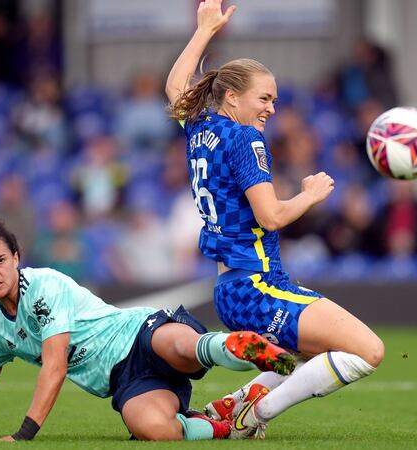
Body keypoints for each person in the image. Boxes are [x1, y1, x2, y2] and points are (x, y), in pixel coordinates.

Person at [165, 0, 385, 439]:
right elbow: (272, 215)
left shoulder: (201, 128)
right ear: (232, 97)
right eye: (264, 98)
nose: (270, 109)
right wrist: (309, 195)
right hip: (255, 284)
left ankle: (233, 405)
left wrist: (204, 30)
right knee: (368, 351)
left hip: (238, 286)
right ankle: (257, 412)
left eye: (275, 100)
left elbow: (175, 88)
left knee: (304, 357)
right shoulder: (246, 138)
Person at [0, 218, 296, 442]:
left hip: (138, 332)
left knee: (182, 345)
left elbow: (55, 366)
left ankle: (240, 346)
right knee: (153, 430)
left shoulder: (43, 287)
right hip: (125, 380)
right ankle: (226, 425)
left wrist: (24, 434)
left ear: (16, 258)